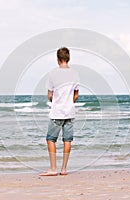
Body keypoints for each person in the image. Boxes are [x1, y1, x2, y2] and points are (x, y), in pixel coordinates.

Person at [39, 47, 79, 176]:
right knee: (67, 140)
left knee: (51, 139)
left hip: (57, 112)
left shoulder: (53, 74)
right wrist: (69, 102)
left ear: (57, 59)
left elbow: (50, 95)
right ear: (69, 58)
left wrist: (55, 101)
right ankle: (64, 169)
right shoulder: (75, 74)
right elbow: (76, 95)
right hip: (70, 112)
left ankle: (53, 168)